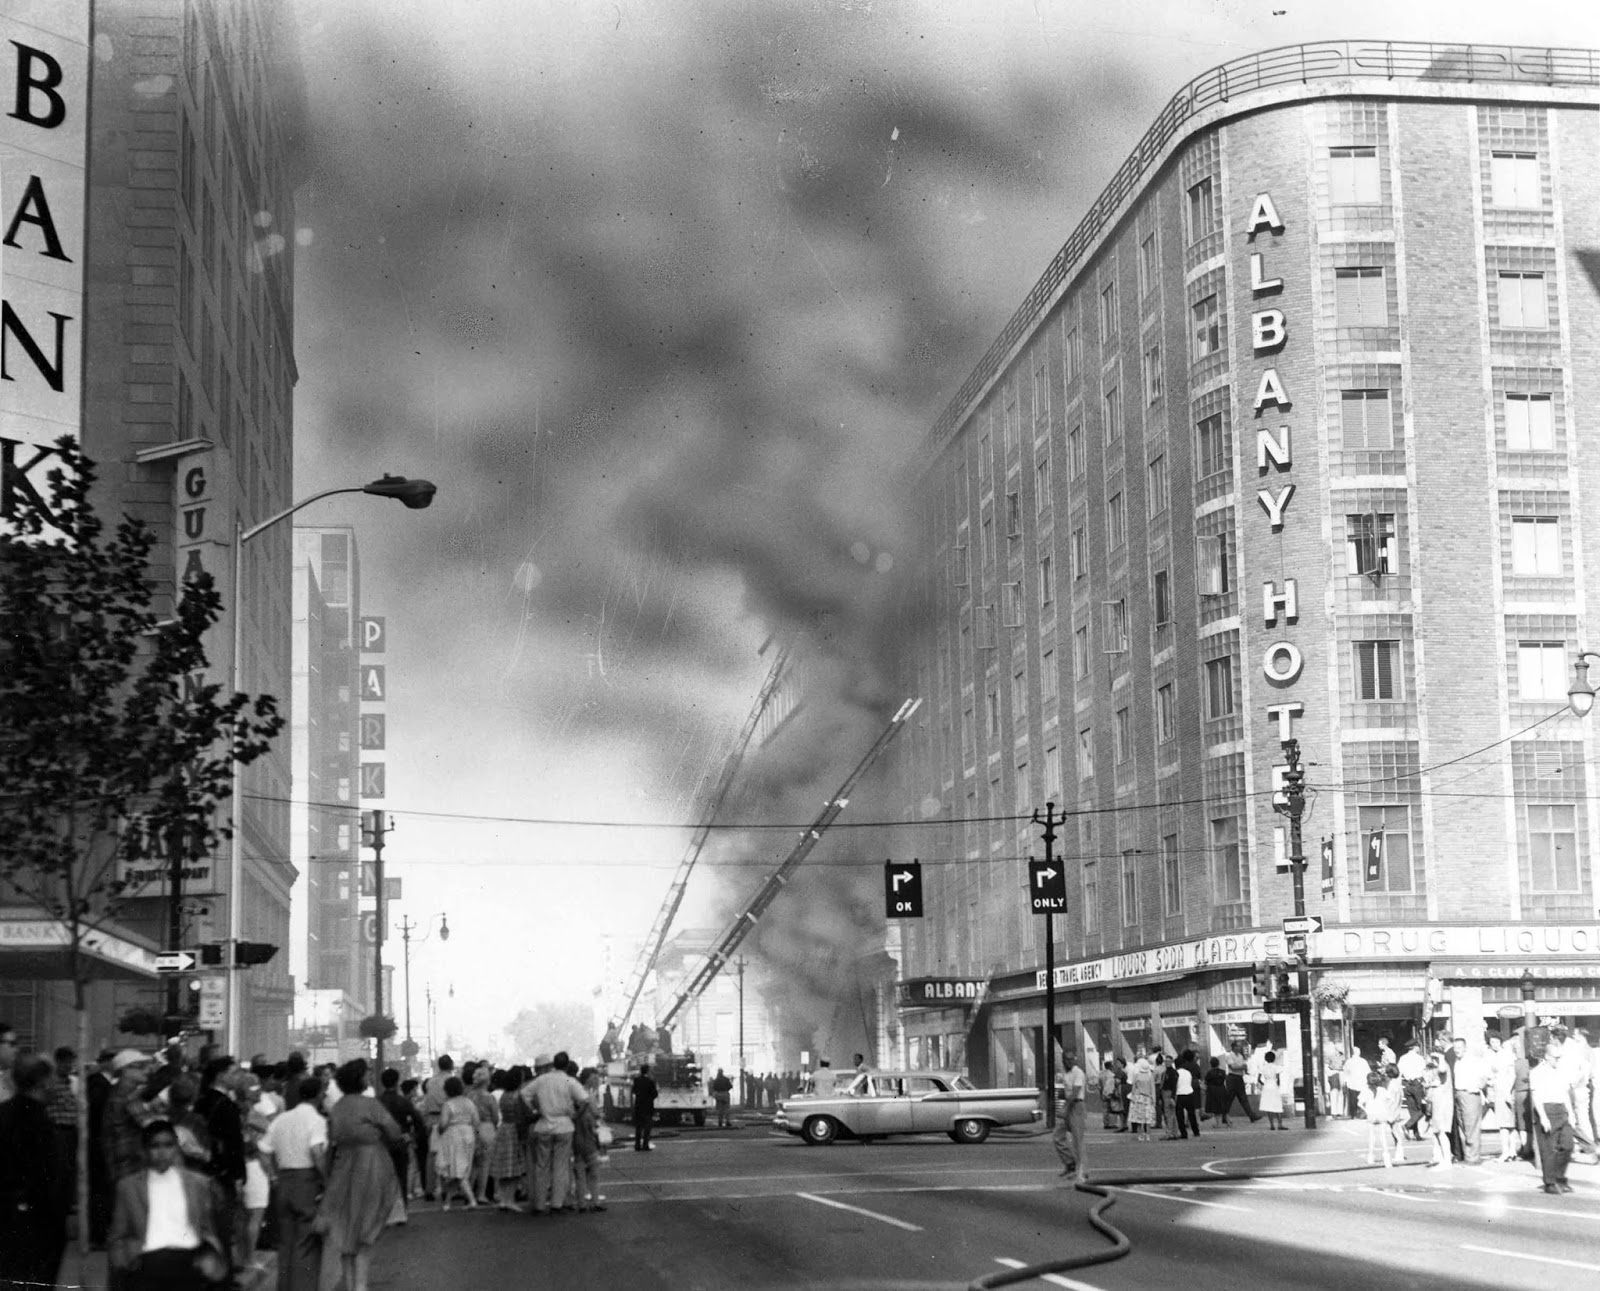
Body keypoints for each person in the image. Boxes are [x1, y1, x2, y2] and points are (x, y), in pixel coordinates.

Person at [108, 1119, 229, 1290]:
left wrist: (210, 1254)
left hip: (188, 1260)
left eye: (168, 1145)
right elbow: (118, 1235)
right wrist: (124, 1260)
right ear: (144, 1150)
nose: (162, 1152)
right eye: (155, 1146)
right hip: (147, 1263)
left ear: (176, 1148)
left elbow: (206, 1227)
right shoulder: (129, 1187)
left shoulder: (197, 1183)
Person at [319, 1061, 404, 1291]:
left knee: (346, 1228)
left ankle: (351, 1285)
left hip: (343, 1167)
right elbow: (394, 1131)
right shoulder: (370, 1104)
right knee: (366, 1229)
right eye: (366, 1074)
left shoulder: (337, 1107)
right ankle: (360, 1285)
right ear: (359, 1078)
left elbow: (332, 1137)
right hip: (372, 1165)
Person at [0, 1054, 69, 1291]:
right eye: (53, 1079)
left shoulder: (5, 1112)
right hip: (33, 1222)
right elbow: (46, 1178)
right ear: (43, 1082)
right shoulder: (39, 1124)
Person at [260, 1075, 327, 1291]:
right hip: (306, 1181)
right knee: (306, 1242)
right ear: (318, 1095)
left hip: (283, 1182)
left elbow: (263, 1149)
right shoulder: (316, 1120)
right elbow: (317, 1152)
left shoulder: (282, 1119)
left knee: (286, 1241)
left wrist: (273, 1175)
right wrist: (326, 1179)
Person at [529, 1051, 589, 1214]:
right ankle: (557, 1203)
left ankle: (539, 1204)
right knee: (561, 1166)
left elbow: (524, 1095)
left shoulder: (542, 1080)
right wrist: (576, 1115)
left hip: (543, 1124)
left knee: (541, 1166)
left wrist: (535, 1110)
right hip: (564, 1125)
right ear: (567, 1065)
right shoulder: (569, 1080)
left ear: (554, 1064)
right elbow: (585, 1100)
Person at [376, 1069, 424, 1221]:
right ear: (397, 1082)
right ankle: (402, 1211)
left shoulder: (377, 1102)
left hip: (382, 1144)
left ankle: (386, 1211)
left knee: (383, 1177)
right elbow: (418, 1122)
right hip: (400, 1142)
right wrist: (412, 1136)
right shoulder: (403, 1102)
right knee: (401, 1176)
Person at [1531, 1032, 1574, 1195]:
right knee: (1548, 1149)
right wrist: (1543, 1117)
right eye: (1556, 1058)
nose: (1558, 1060)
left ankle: (1560, 1177)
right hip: (1547, 1110)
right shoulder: (1537, 1072)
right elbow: (1536, 1096)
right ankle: (1550, 1182)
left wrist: (1571, 1114)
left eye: (1559, 1057)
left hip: (1561, 1109)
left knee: (1567, 1146)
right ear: (1547, 1057)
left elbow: (1565, 1094)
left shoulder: (1561, 1071)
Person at [488, 1069, 530, 1212]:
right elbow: (525, 1115)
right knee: (514, 1169)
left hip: (503, 1130)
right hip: (515, 1132)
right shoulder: (518, 1096)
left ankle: (503, 1199)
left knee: (504, 1168)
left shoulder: (504, 1096)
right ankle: (510, 1200)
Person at [435, 1076, 479, 1210]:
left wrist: (439, 1131)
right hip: (468, 1134)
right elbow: (476, 1121)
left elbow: (443, 1123)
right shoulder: (469, 1102)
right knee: (461, 1169)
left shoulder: (448, 1104)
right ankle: (447, 1202)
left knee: (457, 1170)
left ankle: (471, 1200)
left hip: (453, 1136)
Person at [571, 1068, 606, 1212]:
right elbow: (596, 1114)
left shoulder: (575, 1094)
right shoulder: (589, 1096)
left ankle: (581, 1203)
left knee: (579, 1172)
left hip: (576, 1137)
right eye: (595, 1078)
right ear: (588, 1079)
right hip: (589, 1136)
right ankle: (595, 1201)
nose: (597, 1080)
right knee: (593, 1172)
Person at [1451, 1036, 1489, 1166]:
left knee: (1471, 1126)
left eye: (1459, 1047)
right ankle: (1467, 1155)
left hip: (1470, 1094)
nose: (1457, 1050)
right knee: (1462, 1126)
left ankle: (1473, 1157)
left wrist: (1476, 1087)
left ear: (1465, 1048)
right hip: (1459, 1094)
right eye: (1455, 1048)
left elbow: (1484, 1076)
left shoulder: (1473, 1061)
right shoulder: (1457, 1061)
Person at [466, 1062, 500, 1205]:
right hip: (487, 1128)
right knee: (485, 1163)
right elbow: (495, 1117)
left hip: (471, 1128)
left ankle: (468, 1191)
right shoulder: (489, 1097)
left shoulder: (469, 1096)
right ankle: (481, 1194)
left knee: (473, 1163)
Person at [1052, 1050, 1087, 1184]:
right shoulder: (1064, 1073)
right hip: (1068, 1105)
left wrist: (1065, 1108)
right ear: (1063, 1060)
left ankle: (1082, 1172)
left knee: (1077, 1140)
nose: (1070, 1062)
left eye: (1072, 1059)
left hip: (1076, 1105)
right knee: (1057, 1136)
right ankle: (1070, 1163)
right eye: (1067, 1059)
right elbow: (1065, 1092)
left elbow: (1075, 1092)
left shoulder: (1078, 1072)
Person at [1359, 1067, 1400, 1168]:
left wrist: (1366, 1110)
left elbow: (1360, 1103)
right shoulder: (1382, 1090)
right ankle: (1387, 1158)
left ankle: (1370, 1157)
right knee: (1383, 1137)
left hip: (1371, 1115)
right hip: (1382, 1114)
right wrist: (1385, 1107)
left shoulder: (1365, 1091)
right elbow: (1391, 1099)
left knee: (1372, 1137)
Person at [1221, 1043, 1260, 1124]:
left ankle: (1251, 1116)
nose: (1239, 1047)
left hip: (1239, 1078)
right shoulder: (1229, 1056)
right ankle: (1224, 1116)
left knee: (1243, 1098)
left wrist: (1240, 1066)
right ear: (1234, 1047)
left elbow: (1245, 1066)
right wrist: (1241, 1067)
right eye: (1238, 1046)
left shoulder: (1240, 1056)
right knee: (1229, 1098)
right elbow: (1233, 1067)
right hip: (1232, 1078)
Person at [1426, 1066, 1455, 1169]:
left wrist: (1439, 1059)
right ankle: (1442, 1159)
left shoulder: (1442, 1067)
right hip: (1437, 1105)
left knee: (1441, 1132)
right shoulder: (1435, 1072)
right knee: (1438, 1133)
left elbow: (1442, 1069)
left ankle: (1447, 1160)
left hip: (1442, 1106)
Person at [1173, 1051, 1203, 1140]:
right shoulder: (1188, 1072)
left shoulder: (1176, 1073)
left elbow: (1175, 1085)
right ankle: (1196, 1131)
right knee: (1191, 1114)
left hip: (1180, 1094)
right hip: (1190, 1093)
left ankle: (1184, 1133)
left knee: (1180, 1116)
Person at [1127, 1051, 1155, 1142]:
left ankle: (1140, 1135)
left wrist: (1132, 1098)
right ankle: (1148, 1135)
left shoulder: (1137, 1075)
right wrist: (1153, 1099)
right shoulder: (1150, 1076)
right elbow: (1152, 1088)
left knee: (1139, 1118)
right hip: (1148, 1098)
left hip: (1138, 1097)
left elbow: (1134, 1088)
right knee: (1148, 1118)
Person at [631, 1063, 658, 1153]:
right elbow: (655, 1094)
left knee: (638, 1127)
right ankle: (645, 1145)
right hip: (647, 1107)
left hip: (638, 1106)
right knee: (647, 1127)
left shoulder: (636, 1080)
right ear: (648, 1071)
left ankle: (637, 1145)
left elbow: (634, 1091)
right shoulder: (650, 1082)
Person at [1258, 1052, 1286, 1130]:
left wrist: (1264, 1084)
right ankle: (1280, 1124)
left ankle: (1272, 1125)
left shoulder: (1263, 1068)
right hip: (1274, 1085)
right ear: (1274, 1058)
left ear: (1265, 1059)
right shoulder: (1276, 1067)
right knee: (1277, 1105)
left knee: (1268, 1106)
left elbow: (1259, 1079)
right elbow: (1278, 1079)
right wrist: (1278, 1085)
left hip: (1266, 1086)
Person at [1202, 1056, 1228, 1125]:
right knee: (1223, 1106)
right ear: (1218, 1064)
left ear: (1211, 1064)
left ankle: (1218, 1123)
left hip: (1212, 1090)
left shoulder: (1209, 1073)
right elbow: (1225, 1081)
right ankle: (1228, 1121)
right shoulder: (1223, 1072)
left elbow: (1205, 1082)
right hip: (1222, 1089)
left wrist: (1204, 1090)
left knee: (1215, 1107)